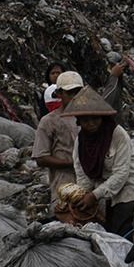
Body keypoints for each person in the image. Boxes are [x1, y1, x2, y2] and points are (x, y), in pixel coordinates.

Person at [62, 86, 134, 237]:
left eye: (95, 119)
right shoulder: (81, 142)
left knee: (123, 228)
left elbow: (121, 173)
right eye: (85, 120)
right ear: (79, 121)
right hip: (105, 187)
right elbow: (82, 174)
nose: (90, 124)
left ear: (102, 118)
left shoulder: (117, 134)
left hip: (131, 183)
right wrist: (82, 196)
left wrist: (94, 196)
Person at [26, 71, 84, 205]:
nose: (75, 97)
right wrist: (73, 163)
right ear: (59, 94)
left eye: (78, 92)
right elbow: (41, 158)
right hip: (64, 181)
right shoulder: (49, 121)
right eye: (70, 93)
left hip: (91, 179)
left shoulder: (91, 117)